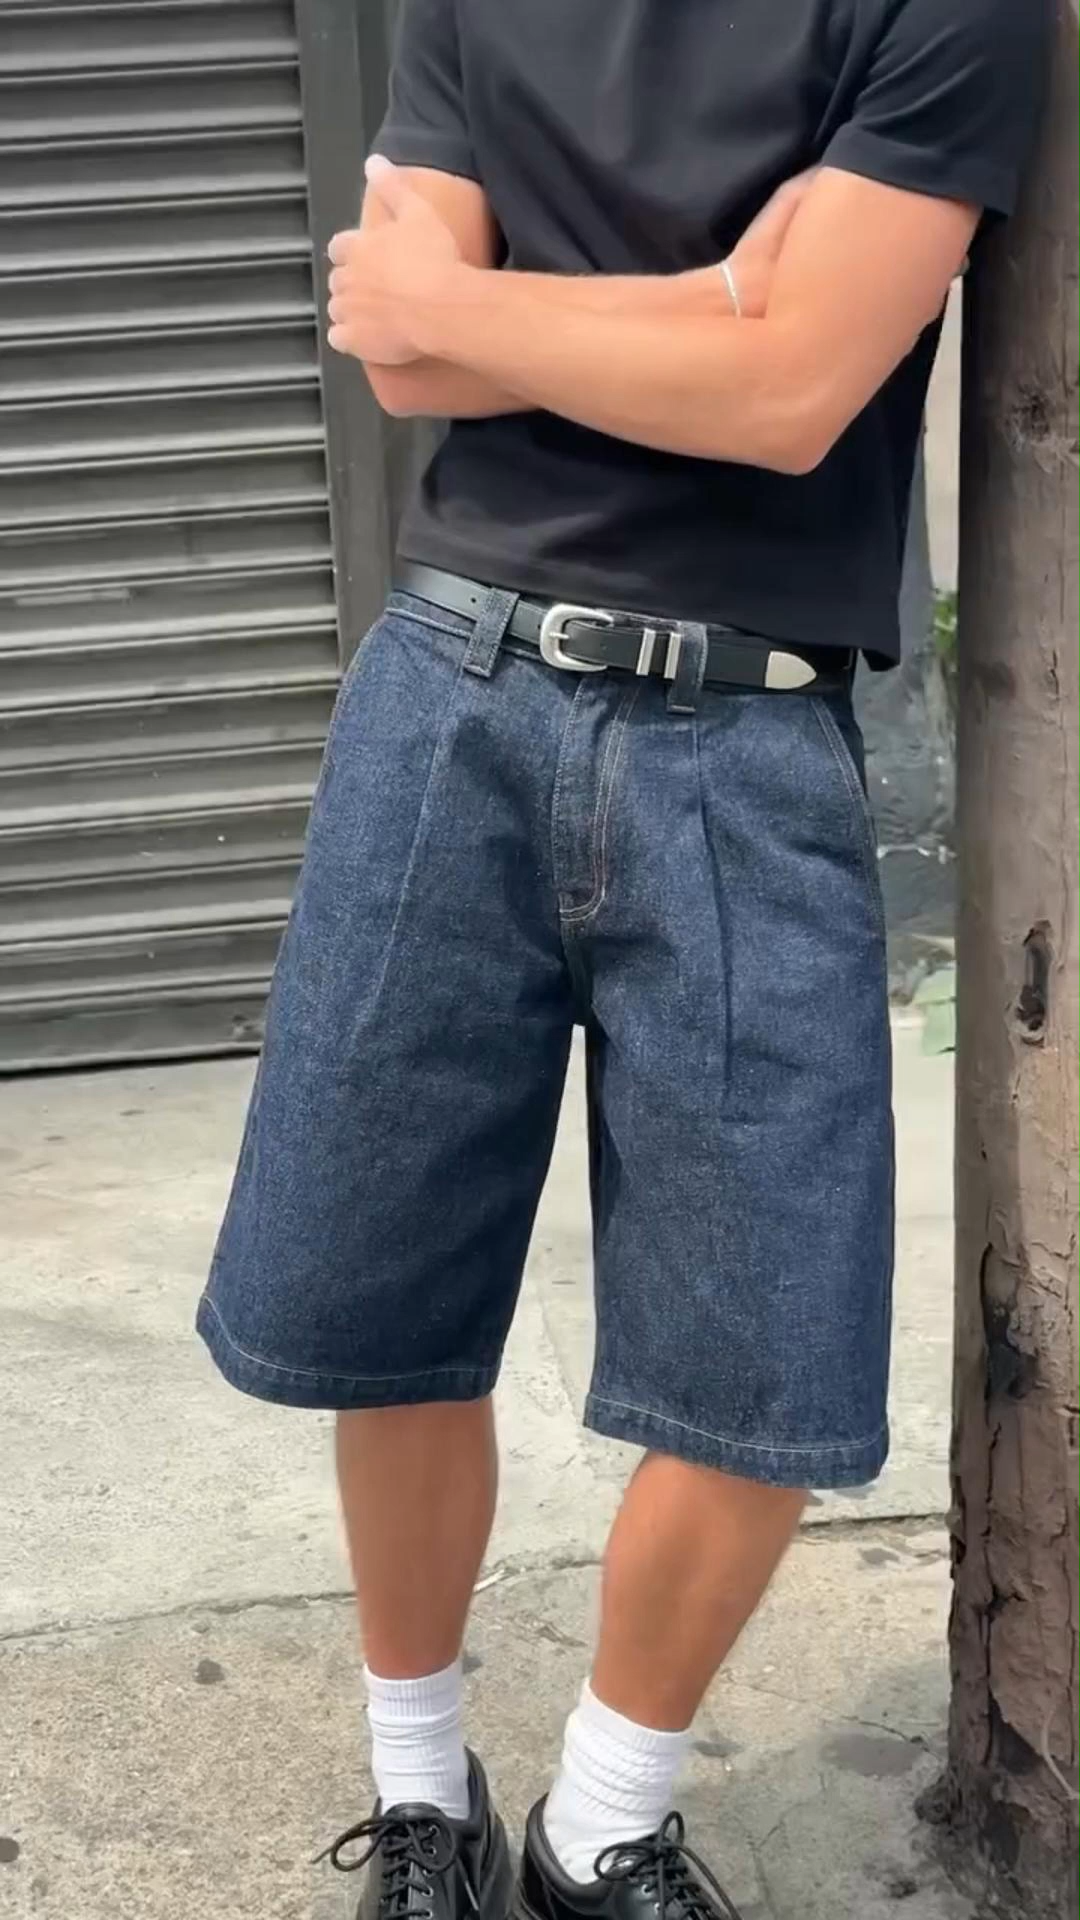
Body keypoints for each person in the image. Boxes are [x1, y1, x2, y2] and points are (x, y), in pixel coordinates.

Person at [197, 1, 1049, 1914]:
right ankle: (422, 1795)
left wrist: (505, 311)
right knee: (383, 1295)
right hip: (451, 691)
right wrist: (716, 303)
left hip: (752, 737)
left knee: (772, 1349)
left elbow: (792, 394)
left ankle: (602, 1823)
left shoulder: (940, 11)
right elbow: (394, 353)